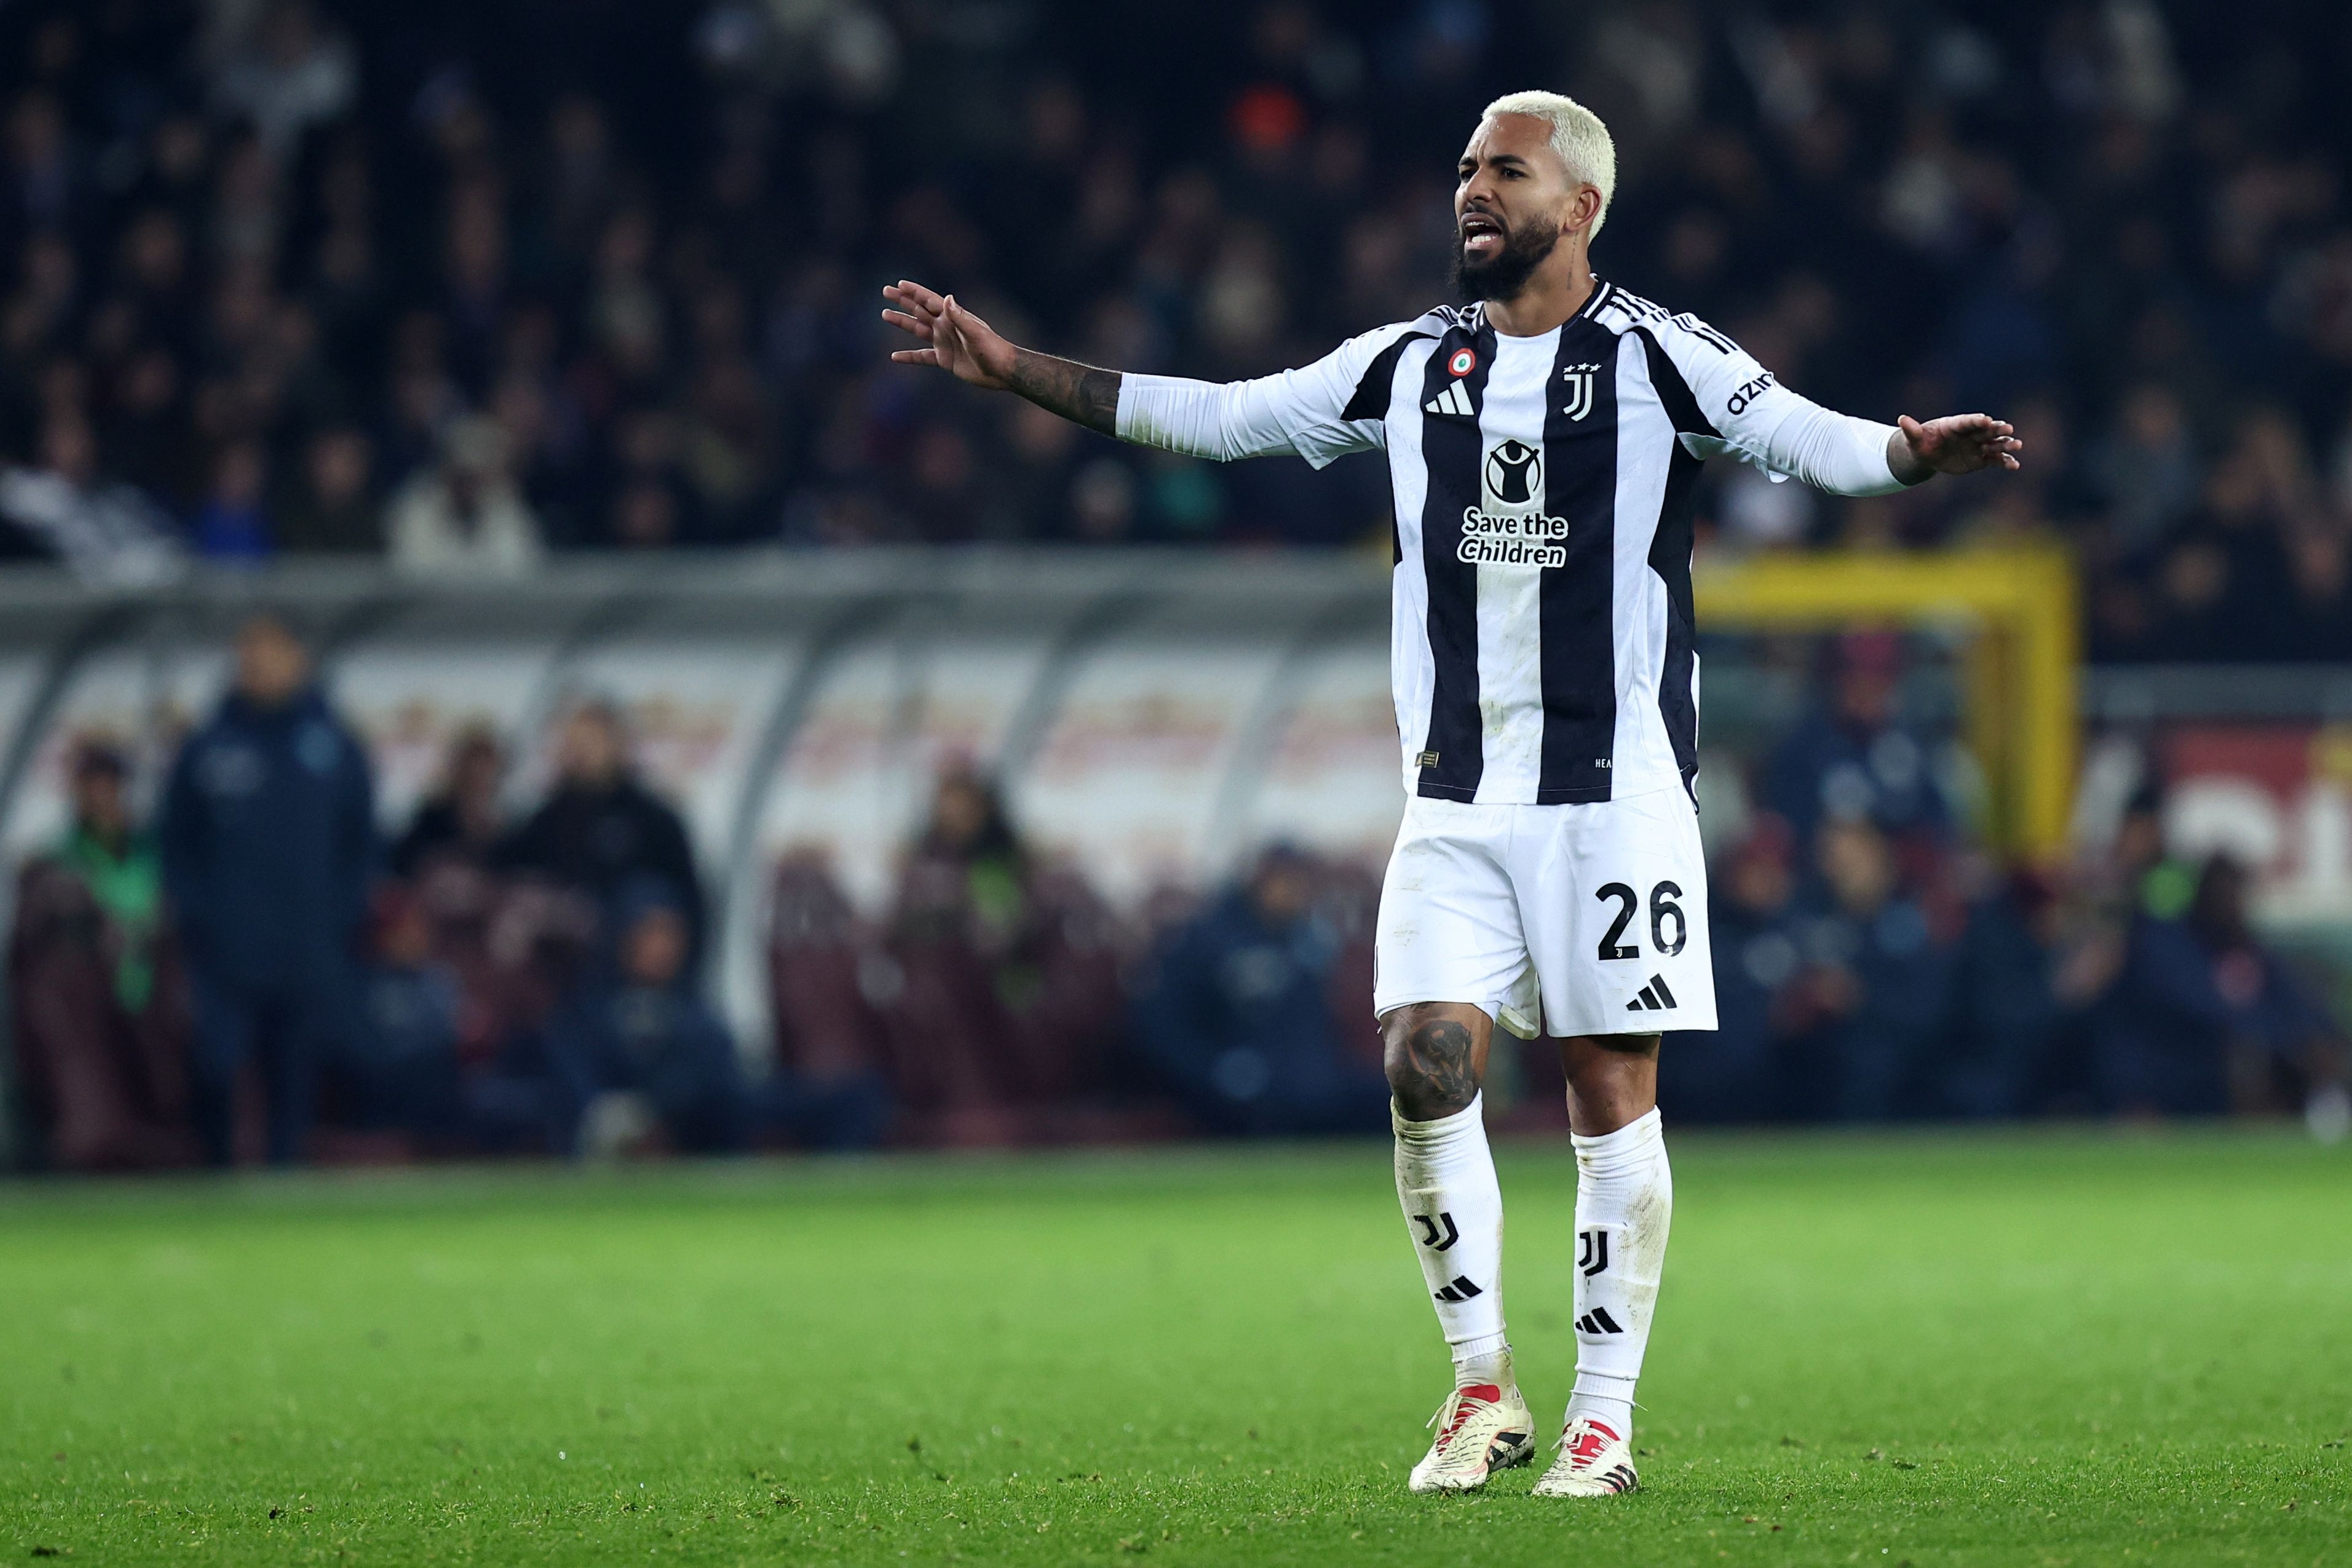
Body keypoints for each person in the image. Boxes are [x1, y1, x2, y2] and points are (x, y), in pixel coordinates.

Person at [882, 90, 2022, 1497]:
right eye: (1467, 169)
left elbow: (1805, 438)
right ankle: (1482, 1388)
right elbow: (1221, 419)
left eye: (1507, 171)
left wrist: (1909, 457)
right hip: (1456, 795)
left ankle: (1602, 1420)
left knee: (1607, 1088)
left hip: (1612, 794)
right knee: (1424, 1063)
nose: (1474, 190)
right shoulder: (1405, 363)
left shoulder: (1660, 355)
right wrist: (1017, 372)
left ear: (1581, 206)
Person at [160, 614, 377, 1163]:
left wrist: (336, 919)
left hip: (307, 950)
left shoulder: (334, 745)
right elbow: (177, 842)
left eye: (269, 649)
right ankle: (215, 1174)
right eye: (247, 650)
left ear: (298, 659)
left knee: (295, 1080)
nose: (255, 661)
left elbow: (361, 846)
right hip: (226, 953)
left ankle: (285, 1180)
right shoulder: (208, 747)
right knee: (215, 1068)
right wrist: (200, 916)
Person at [1129, 845, 1389, 1137]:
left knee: (1386, 1101)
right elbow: (1166, 1025)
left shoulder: (1310, 940)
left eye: (1302, 883)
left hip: (1311, 1083)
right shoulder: (1206, 941)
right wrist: (1215, 1071)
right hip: (1237, 1088)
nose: (1295, 892)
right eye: (1286, 881)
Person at [540, 881, 745, 1155]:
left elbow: (719, 1087)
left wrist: (662, 1116)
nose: (661, 948)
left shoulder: (700, 1021)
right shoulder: (586, 1014)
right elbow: (573, 1080)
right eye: (650, 932)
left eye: (670, 934)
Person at [497, 700, 704, 966]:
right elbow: (510, 861)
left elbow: (685, 900)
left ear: (617, 745)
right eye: (573, 744)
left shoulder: (653, 819)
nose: (580, 754)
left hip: (626, 962)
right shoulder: (554, 814)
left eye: (590, 742)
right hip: (568, 960)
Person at [392, 724, 507, 878]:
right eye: (473, 771)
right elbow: (406, 860)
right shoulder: (433, 817)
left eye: (486, 771)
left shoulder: (503, 825)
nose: (479, 778)